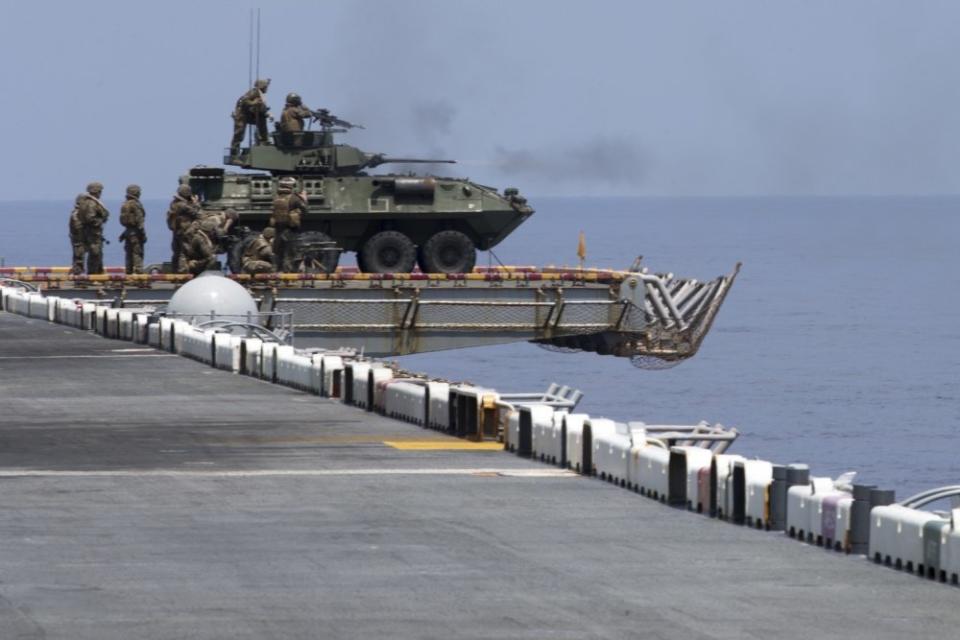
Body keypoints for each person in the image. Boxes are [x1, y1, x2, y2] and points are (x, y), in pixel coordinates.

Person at [269, 176, 307, 272]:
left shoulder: (276, 198)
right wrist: (304, 199)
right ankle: (289, 275)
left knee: (278, 253)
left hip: (278, 230)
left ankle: (277, 271)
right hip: (290, 229)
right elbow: (305, 210)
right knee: (291, 253)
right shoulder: (294, 198)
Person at [182, 211, 237, 275]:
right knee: (212, 257)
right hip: (198, 242)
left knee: (217, 251)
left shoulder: (215, 218)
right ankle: (196, 268)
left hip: (200, 241)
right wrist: (227, 225)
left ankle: (198, 269)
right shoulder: (216, 219)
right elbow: (220, 233)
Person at [230, 78, 271, 156]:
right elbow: (244, 100)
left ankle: (263, 141)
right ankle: (234, 152)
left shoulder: (260, 94)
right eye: (266, 86)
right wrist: (253, 103)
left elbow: (261, 106)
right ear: (261, 86)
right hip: (242, 115)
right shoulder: (254, 92)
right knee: (239, 132)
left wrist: (265, 112)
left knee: (262, 121)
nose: (267, 88)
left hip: (249, 114)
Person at [76, 182, 109, 274]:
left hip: (90, 232)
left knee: (96, 253)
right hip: (93, 233)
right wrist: (101, 220)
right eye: (100, 191)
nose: (100, 193)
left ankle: (98, 272)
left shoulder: (86, 202)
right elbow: (90, 218)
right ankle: (93, 275)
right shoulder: (91, 203)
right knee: (95, 253)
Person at [166, 184, 199, 273]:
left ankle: (174, 271)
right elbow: (195, 213)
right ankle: (182, 272)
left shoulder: (173, 203)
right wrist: (196, 203)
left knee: (176, 252)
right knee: (184, 252)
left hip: (176, 231)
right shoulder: (183, 205)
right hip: (185, 231)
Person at [119, 184, 146, 274]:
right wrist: (143, 234)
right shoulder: (136, 205)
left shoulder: (125, 204)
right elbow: (139, 220)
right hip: (136, 232)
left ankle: (128, 272)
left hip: (128, 232)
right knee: (137, 253)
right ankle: (139, 273)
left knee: (128, 254)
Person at [68, 195, 85, 275]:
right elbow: (77, 226)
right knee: (78, 258)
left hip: (78, 238)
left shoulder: (79, 213)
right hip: (78, 239)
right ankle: (77, 274)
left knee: (78, 257)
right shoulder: (76, 213)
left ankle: (77, 272)